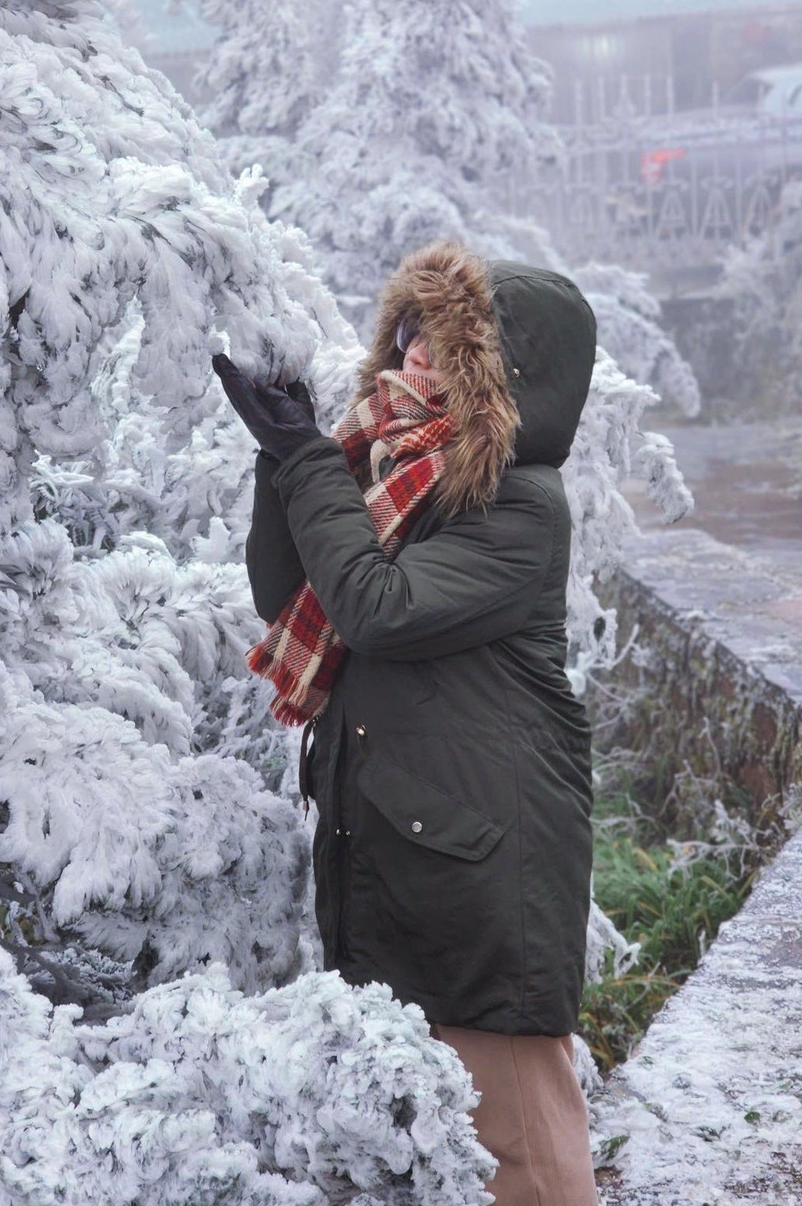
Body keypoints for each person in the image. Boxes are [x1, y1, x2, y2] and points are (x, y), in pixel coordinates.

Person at [212, 239, 600, 1206]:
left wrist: (310, 465)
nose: (418, 352)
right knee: (429, 1156)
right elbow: (291, 594)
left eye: (454, 344)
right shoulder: (392, 467)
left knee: (522, 1158)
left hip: (480, 885)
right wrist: (285, 463)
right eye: (414, 329)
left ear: (504, 379)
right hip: (401, 858)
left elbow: (374, 605)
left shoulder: (518, 505)